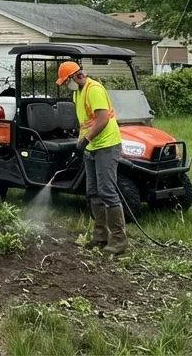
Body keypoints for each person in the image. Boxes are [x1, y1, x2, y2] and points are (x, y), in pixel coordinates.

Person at [55, 60, 127, 255]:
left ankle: (119, 240)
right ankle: (100, 236)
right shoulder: (77, 92)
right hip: (92, 146)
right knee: (93, 192)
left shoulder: (94, 89)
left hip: (106, 146)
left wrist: (86, 139)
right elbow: (86, 121)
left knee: (107, 191)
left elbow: (102, 119)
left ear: (76, 76)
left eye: (66, 80)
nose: (66, 85)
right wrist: (82, 139)